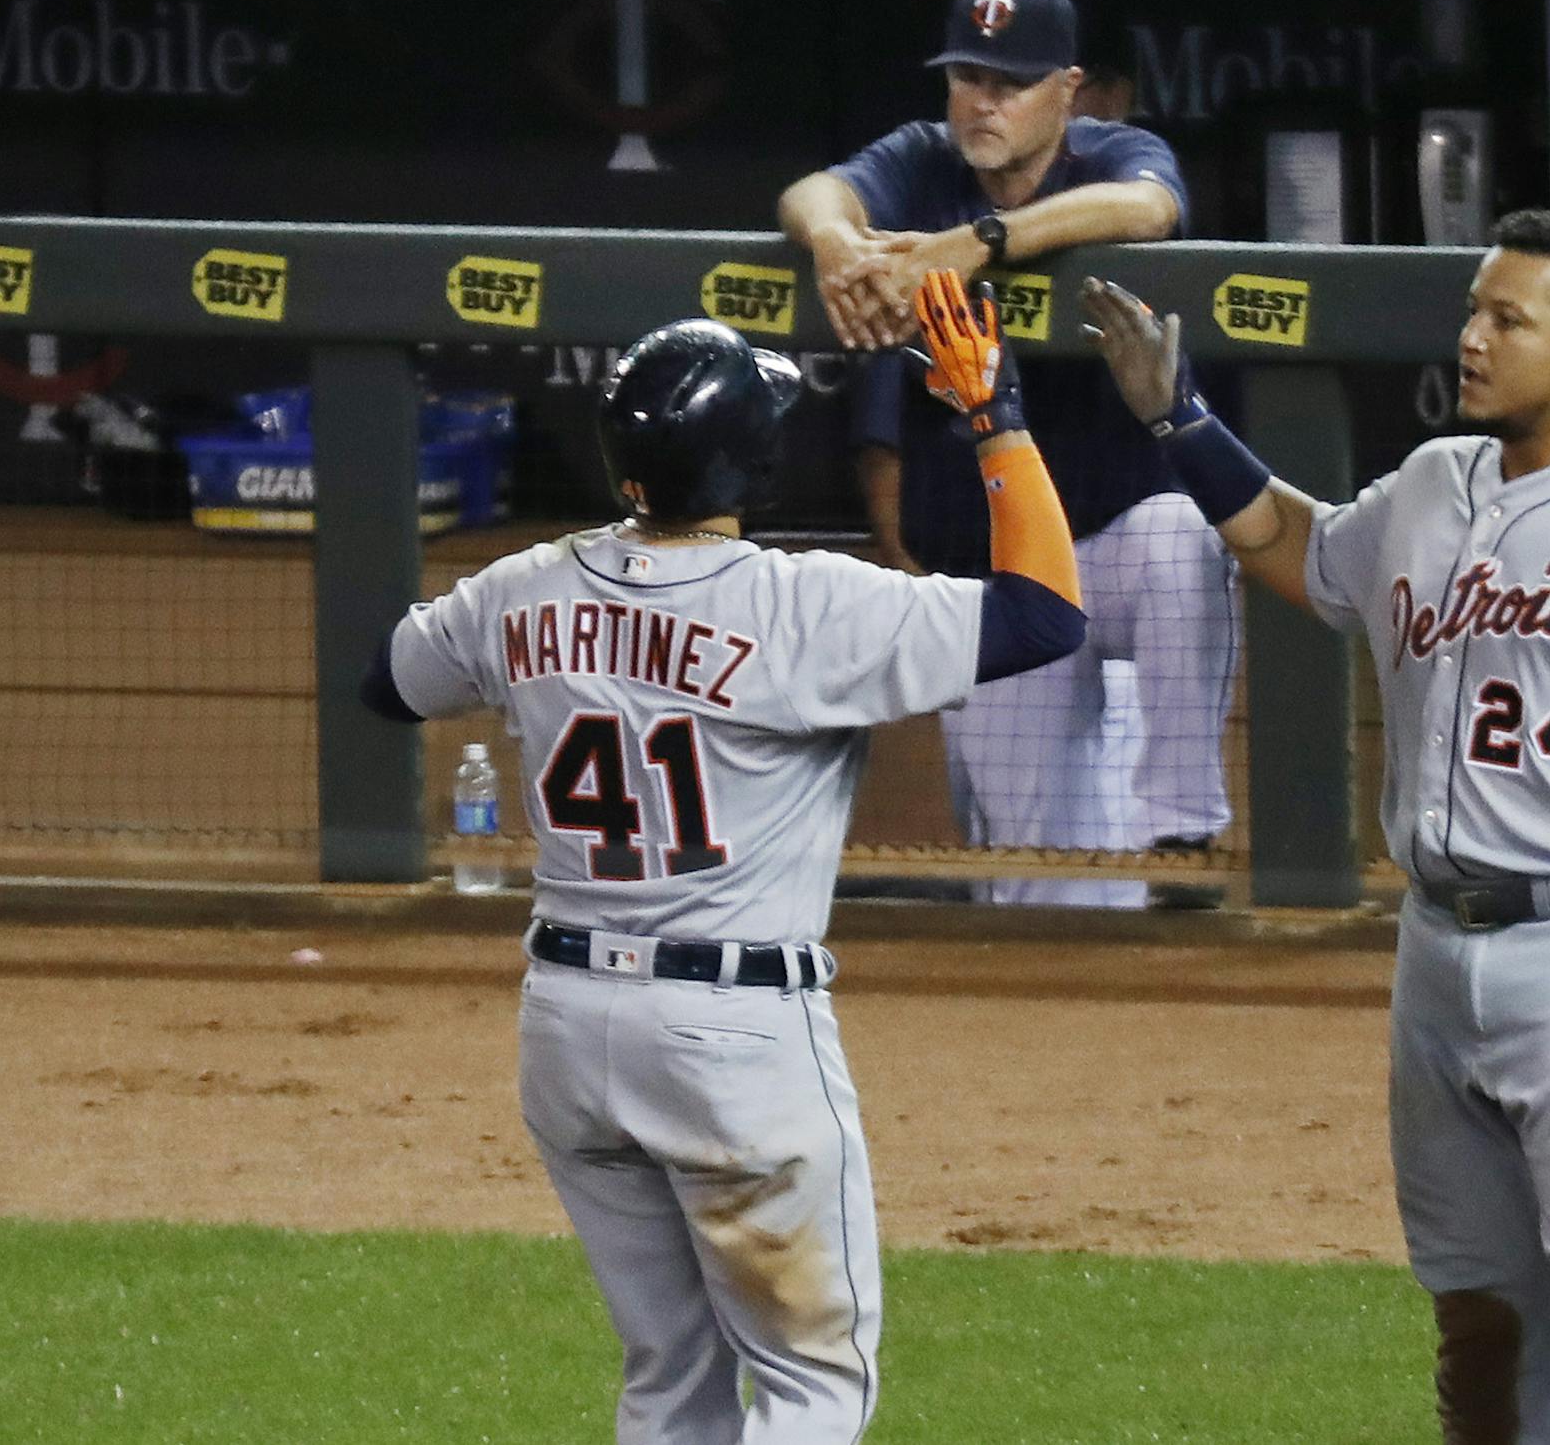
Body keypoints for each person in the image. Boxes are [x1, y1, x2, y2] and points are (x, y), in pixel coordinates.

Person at [1081, 210, 1550, 1444]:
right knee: (1479, 1310)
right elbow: (1301, 548)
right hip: (1436, 955)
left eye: (1508, 319)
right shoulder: (1436, 483)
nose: (1473, 338)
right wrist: (1176, 420)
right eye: (1472, 310)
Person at [359, 273, 1085, 1445]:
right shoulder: (808, 606)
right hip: (732, 1045)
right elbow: (1047, 613)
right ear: (752, 465)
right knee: (809, 1385)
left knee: (666, 1377)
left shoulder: (523, 588)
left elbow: (387, 683)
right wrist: (995, 418)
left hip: (567, 1026)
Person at [777, 0, 1237, 907]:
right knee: (1036, 886)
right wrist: (837, 246)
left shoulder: (1113, 151)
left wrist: (980, 239)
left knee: (1181, 540)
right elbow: (816, 191)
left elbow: (1150, 209)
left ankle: (1182, 834)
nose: (983, 100)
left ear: (1066, 90)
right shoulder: (919, 159)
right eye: (967, 76)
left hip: (1113, 548)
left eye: (1012, 81)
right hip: (999, 577)